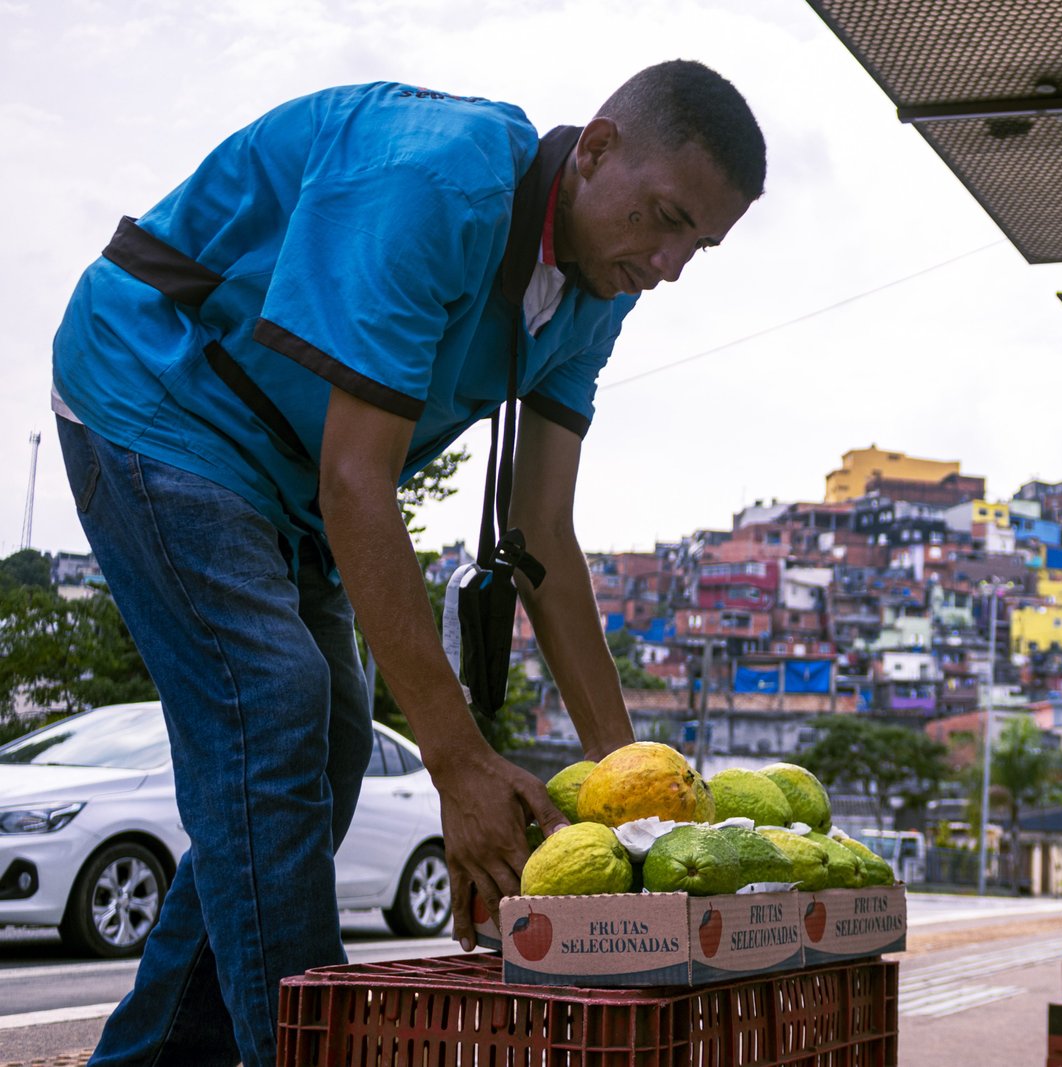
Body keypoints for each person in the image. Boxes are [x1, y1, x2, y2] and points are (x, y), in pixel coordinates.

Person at [50, 61, 764, 1066]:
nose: (673, 263)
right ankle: (315, 1053)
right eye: (666, 217)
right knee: (278, 707)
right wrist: (458, 759)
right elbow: (358, 480)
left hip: (284, 474)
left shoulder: (600, 287)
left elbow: (543, 533)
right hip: (161, 395)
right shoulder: (436, 183)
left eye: (701, 244)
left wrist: (633, 783)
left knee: (332, 745)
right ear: (595, 150)